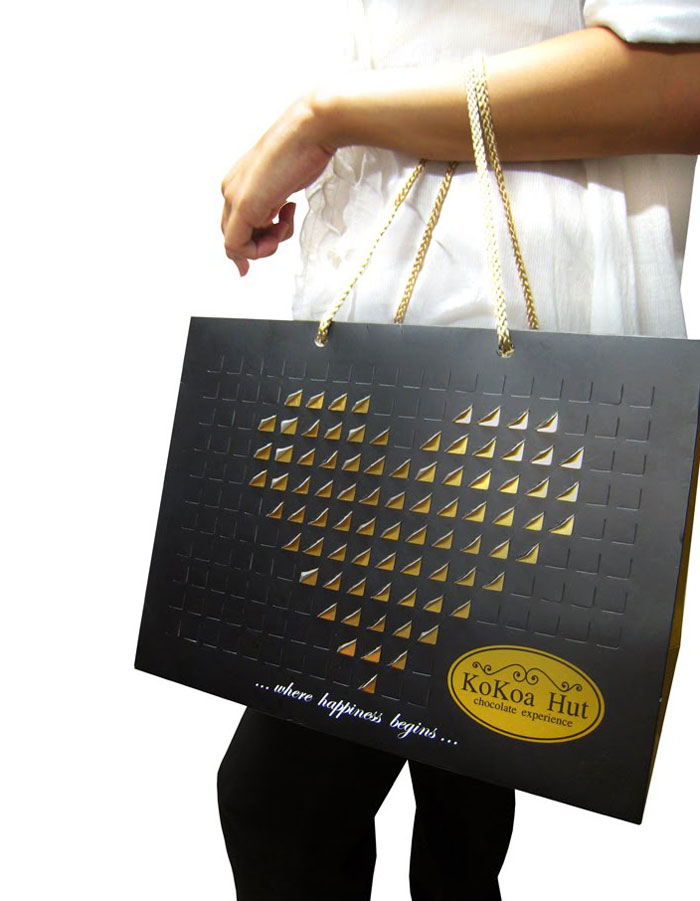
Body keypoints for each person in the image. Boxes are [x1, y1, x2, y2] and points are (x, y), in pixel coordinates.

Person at [217, 2, 700, 899]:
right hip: (398, 374)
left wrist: (326, 115)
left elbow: (678, 81)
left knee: (277, 803)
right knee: (461, 779)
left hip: (502, 404)